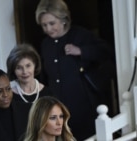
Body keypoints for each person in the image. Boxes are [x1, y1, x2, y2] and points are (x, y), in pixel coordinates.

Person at [35, 0, 118, 140]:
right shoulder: (45, 44)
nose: (48, 29)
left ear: (64, 20)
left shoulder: (80, 35)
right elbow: (44, 76)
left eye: (52, 23)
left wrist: (81, 51)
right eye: (44, 25)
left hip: (84, 105)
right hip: (58, 108)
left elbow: (106, 51)